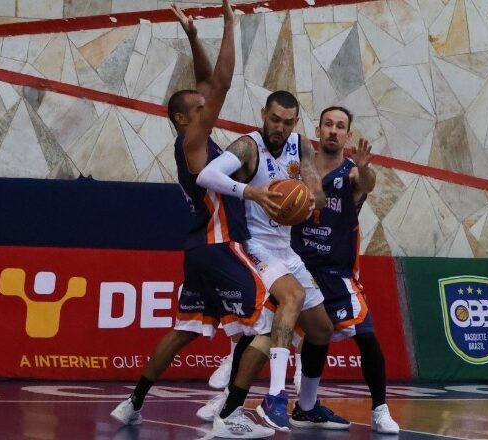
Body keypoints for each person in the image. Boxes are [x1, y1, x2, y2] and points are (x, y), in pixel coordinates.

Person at [111, 3, 274, 437]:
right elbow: (219, 81)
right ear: (184, 118)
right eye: (200, 107)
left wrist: (192, 38)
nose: (209, 107)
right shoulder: (194, 141)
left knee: (185, 329)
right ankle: (231, 416)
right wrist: (229, 25)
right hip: (221, 245)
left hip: (199, 248)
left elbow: (205, 82)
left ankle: (132, 403)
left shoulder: (192, 136)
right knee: (269, 321)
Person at [196, 91, 349, 431]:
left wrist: (310, 198)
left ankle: (306, 406)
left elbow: (317, 193)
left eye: (287, 121)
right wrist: (251, 192)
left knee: (322, 329)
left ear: (295, 122)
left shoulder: (301, 146)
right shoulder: (248, 146)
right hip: (253, 248)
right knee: (291, 296)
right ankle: (275, 396)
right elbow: (206, 176)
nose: (279, 126)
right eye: (274, 119)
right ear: (263, 113)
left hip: (285, 250)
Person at [288, 106, 399, 433]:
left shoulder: (351, 174)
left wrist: (365, 168)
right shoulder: (298, 172)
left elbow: (367, 182)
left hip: (336, 272)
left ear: (347, 135)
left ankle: (380, 409)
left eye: (340, 127)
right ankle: (296, 406)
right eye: (328, 125)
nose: (333, 131)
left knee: (366, 338)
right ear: (319, 130)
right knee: (261, 331)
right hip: (296, 266)